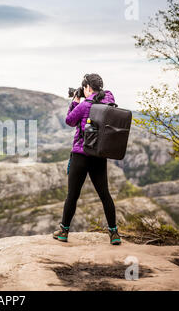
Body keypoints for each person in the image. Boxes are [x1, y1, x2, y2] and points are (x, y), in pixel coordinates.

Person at [53, 73, 121, 245]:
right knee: (105, 194)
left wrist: (75, 101)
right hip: (99, 155)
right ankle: (114, 233)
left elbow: (69, 120)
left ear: (88, 88)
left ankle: (64, 231)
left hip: (80, 155)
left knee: (72, 196)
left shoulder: (85, 106)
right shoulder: (109, 102)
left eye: (84, 88)